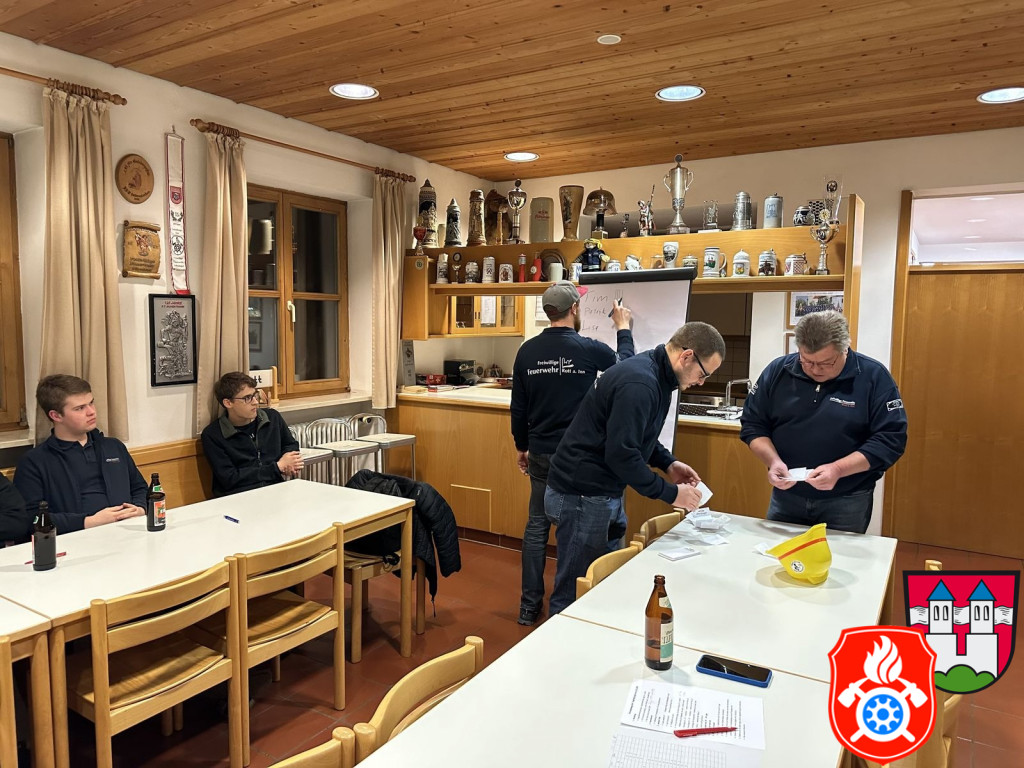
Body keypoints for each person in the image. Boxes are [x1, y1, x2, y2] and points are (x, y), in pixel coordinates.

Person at [544, 321, 726, 615]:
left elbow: (639, 438)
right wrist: (671, 494)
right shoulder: (640, 384)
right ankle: (559, 637)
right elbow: (622, 455)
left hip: (601, 492)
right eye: (703, 374)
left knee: (605, 583)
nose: (702, 382)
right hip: (581, 494)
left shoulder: (658, 378)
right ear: (687, 356)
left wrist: (669, 463)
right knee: (575, 591)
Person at [511, 280, 634, 626]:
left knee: (537, 526)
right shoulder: (588, 349)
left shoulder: (527, 351)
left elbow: (518, 407)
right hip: (578, 459)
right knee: (577, 530)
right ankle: (577, 603)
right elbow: (627, 369)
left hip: (540, 452)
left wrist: (522, 446)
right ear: (574, 309)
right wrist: (623, 328)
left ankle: (528, 606)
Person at [739, 310, 907, 534]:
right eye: (806, 361)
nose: (815, 369)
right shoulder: (779, 370)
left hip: (847, 499)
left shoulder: (873, 376)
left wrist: (838, 469)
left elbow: (890, 439)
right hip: (787, 495)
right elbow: (753, 424)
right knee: (780, 552)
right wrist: (773, 461)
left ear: (844, 349)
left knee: (839, 555)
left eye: (826, 363)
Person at [14, 374, 147, 532]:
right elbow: (31, 518)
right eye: (80, 408)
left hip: (128, 531)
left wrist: (140, 509)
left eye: (91, 403)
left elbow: (140, 488)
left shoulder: (113, 447)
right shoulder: (35, 461)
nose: (91, 412)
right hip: (76, 538)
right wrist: (88, 522)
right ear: (56, 415)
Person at [201, 371, 303, 497]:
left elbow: (291, 444)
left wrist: (288, 459)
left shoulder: (272, 417)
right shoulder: (213, 435)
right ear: (228, 403)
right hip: (238, 497)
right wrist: (277, 467)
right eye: (247, 398)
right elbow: (229, 478)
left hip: (275, 490)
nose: (255, 402)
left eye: (255, 395)